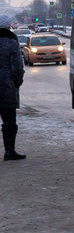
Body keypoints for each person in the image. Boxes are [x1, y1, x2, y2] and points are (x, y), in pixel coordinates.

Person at [0, 14, 26, 160]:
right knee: (9, 122)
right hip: (7, 88)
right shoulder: (12, 43)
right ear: (9, 26)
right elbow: (17, 67)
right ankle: (9, 150)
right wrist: (17, 82)